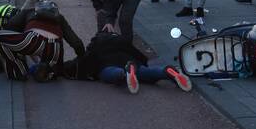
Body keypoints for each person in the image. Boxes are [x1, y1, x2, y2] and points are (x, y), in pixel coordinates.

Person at [60, 29, 192, 94]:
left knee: (107, 73)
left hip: (108, 62)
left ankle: (122, 74)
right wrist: (142, 61)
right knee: (147, 72)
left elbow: (83, 60)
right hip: (129, 58)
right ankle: (167, 72)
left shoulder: (96, 44)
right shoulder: (121, 40)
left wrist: (62, 68)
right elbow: (137, 53)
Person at [0, 0, 85, 81]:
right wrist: (82, 57)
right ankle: (49, 71)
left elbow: (10, 26)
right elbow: (76, 42)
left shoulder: (28, 11)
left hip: (34, 40)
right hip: (55, 47)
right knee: (55, 67)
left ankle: (19, 71)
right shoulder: (59, 18)